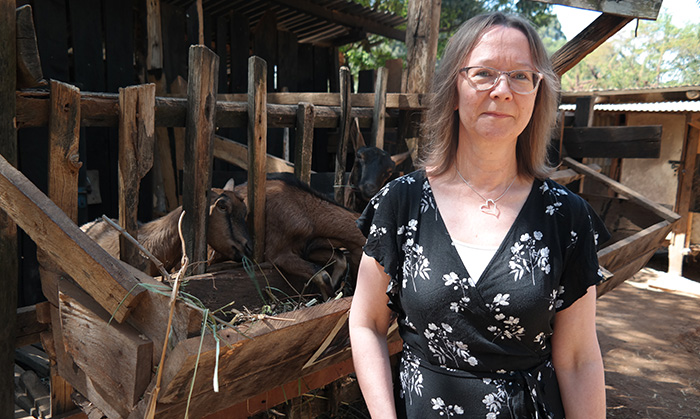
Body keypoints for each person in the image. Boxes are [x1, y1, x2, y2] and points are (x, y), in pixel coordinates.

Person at [348, 11, 610, 419]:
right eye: (484, 73)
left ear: (538, 93)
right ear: (454, 88)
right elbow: (365, 323)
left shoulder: (566, 217)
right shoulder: (400, 203)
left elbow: (578, 358)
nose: (503, 90)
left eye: (521, 76)